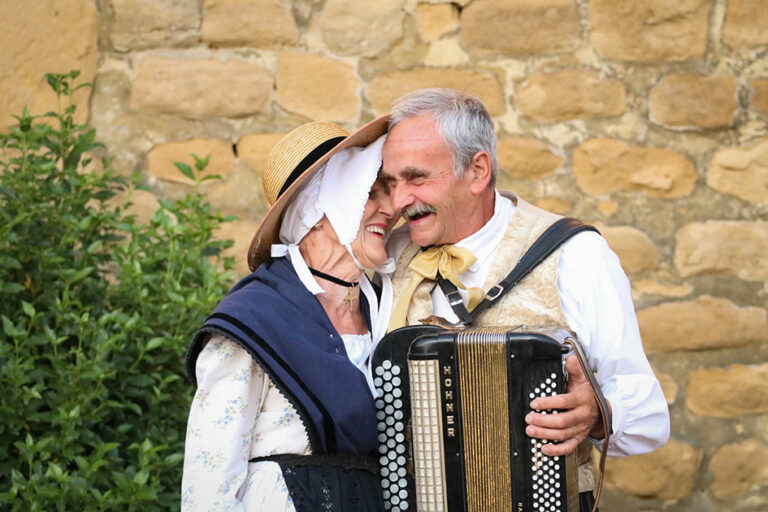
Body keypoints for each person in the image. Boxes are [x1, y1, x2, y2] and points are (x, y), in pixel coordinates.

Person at [379, 88, 670, 510]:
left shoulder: (574, 254)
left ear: (478, 170)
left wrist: (597, 412)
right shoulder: (388, 257)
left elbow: (649, 411)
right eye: (392, 183)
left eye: (417, 177)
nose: (400, 200)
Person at [181, 118, 394, 511]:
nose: (392, 207)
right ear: (320, 207)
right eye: (370, 192)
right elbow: (208, 487)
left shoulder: (390, 309)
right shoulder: (256, 317)